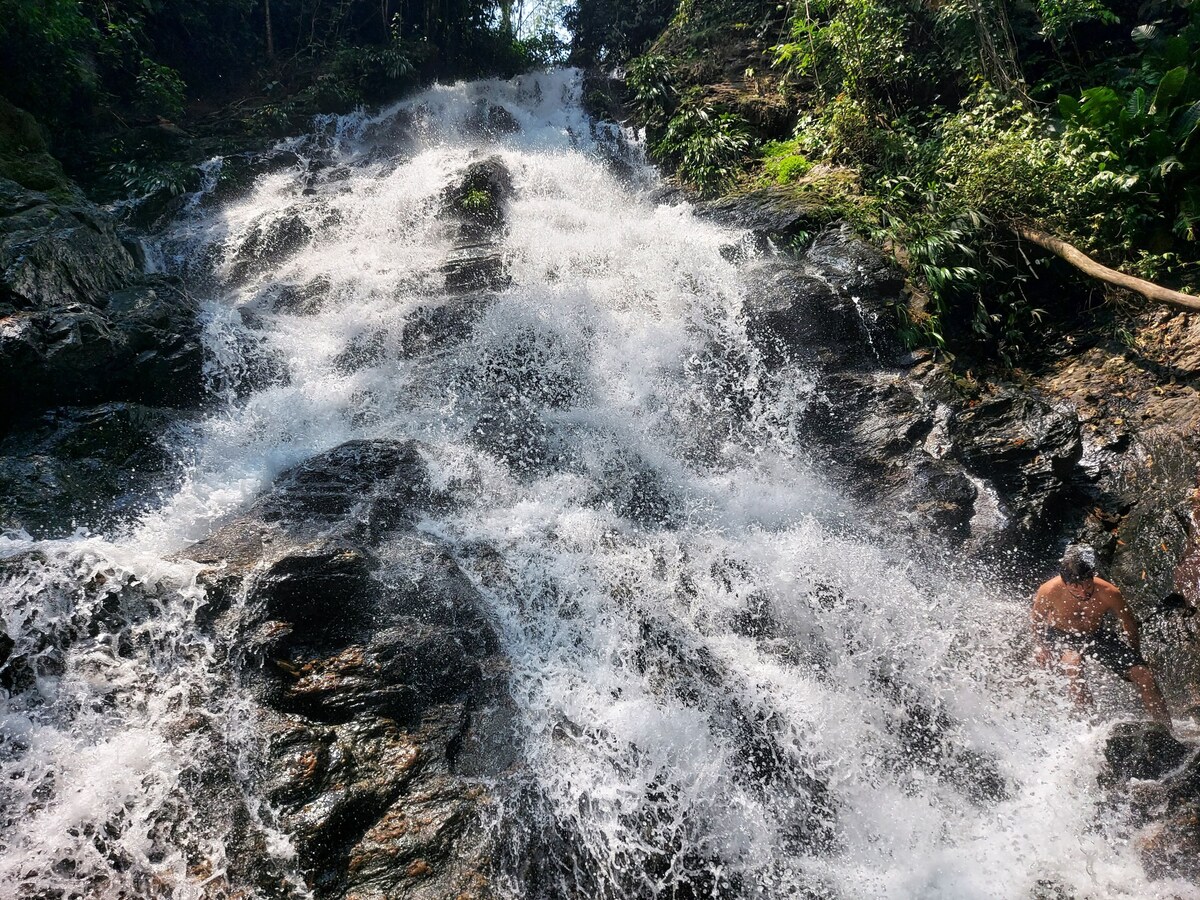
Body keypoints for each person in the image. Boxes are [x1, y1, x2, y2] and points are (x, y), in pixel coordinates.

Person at [1031, 545, 1171, 726]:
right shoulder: (1049, 591)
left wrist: (1136, 655)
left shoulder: (1109, 593)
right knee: (1073, 664)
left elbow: (1129, 623)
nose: (1084, 593)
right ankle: (1089, 729)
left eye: (1088, 585)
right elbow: (1037, 620)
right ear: (1065, 583)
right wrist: (1041, 646)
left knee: (1144, 675)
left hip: (1096, 635)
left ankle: (1167, 731)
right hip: (1062, 635)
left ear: (1092, 578)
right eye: (1075, 588)